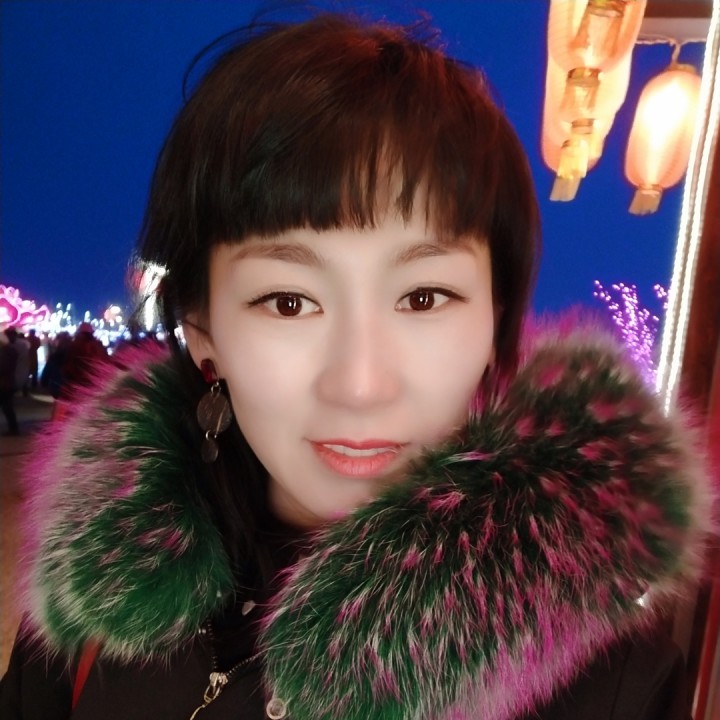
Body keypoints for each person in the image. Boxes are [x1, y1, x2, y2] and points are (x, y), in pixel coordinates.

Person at [0, 13, 713, 720]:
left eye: (424, 297)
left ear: (495, 326)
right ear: (204, 334)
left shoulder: (608, 688)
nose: (361, 384)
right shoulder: (96, 598)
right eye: (288, 302)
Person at [0, 328, 20, 435]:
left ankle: (13, 429)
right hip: (8, 382)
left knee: (7, 407)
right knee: (7, 407)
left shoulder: (5, 352)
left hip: (4, 383)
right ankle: (13, 428)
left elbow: (3, 367)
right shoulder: (11, 350)